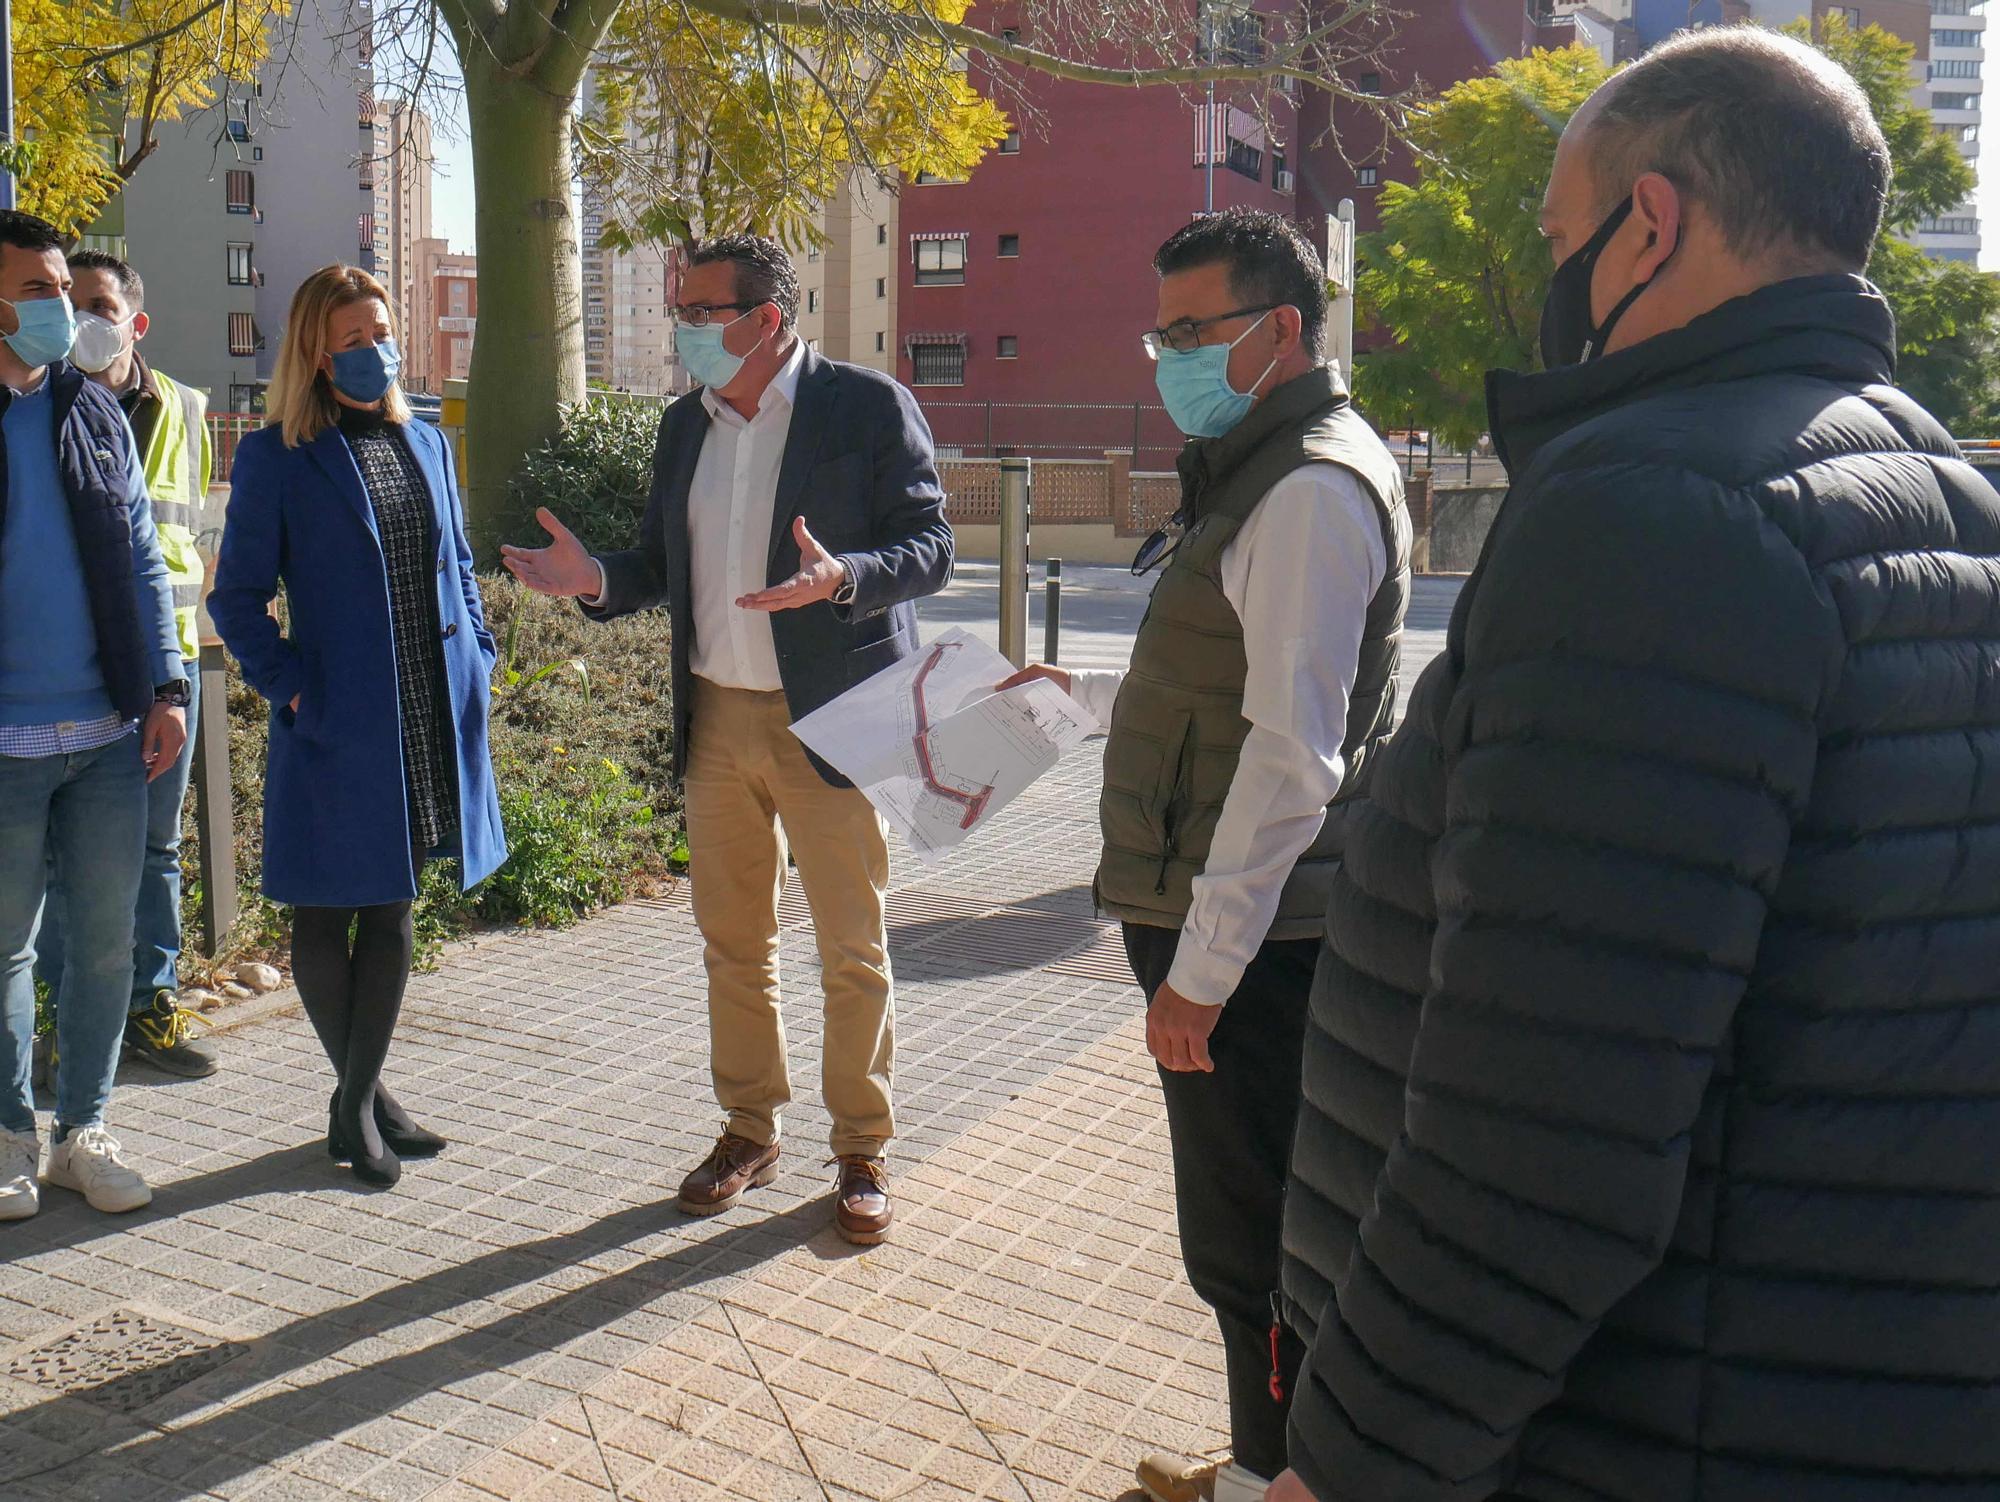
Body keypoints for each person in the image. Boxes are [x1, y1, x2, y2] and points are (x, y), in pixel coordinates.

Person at [1273, 28, 2000, 1502]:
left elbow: (1541, 1128)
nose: (1555, 282)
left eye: (1561, 236)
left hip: (1643, 1425)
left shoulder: (1656, 512)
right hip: (1853, 1385)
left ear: (1646, 224)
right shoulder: (1936, 485)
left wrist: (1350, 1465)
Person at [1004, 209, 1409, 1502]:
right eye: (1159, 330)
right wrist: (1081, 695)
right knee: (1255, 1240)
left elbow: (1294, 757)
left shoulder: (1307, 489)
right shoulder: (1259, 464)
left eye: (1194, 331)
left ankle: (1274, 1477)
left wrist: (1203, 971)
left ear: (1281, 329)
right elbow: (1233, 684)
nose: (1166, 356)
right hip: (1243, 930)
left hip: (1262, 946)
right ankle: (1258, 1466)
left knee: (1260, 1250)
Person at [502, 233, 951, 1245]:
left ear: (766, 319)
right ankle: (749, 1129)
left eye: (703, 311)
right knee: (732, 944)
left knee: (851, 945)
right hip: (717, 716)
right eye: (680, 309)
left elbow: (931, 546)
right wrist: (597, 580)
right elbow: (660, 563)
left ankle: (861, 1148)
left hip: (832, 714)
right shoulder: (682, 428)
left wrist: (844, 577)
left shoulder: (863, 406)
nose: (685, 329)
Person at [209, 264, 505, 1189]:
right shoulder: (276, 459)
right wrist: (292, 688)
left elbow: (457, 562)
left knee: (393, 902)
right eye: (352, 339)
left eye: (381, 331)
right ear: (314, 351)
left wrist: (482, 654)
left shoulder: (424, 443)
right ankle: (359, 1103)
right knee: (325, 905)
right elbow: (239, 601)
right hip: (337, 713)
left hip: (425, 706)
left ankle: (360, 1096)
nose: (375, 351)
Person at [0, 210, 187, 1220]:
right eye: (35, 288)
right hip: (6, 739)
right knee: (5, 948)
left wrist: (164, 689)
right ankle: (7, 1133)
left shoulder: (93, 409)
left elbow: (142, 558)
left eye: (62, 288)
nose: (57, 307)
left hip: (109, 734)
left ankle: (83, 1128)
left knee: (107, 944)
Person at [35, 249, 218, 1080]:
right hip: (69, 670)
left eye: (98, 304)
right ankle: (54, 1018)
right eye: (71, 300)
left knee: (155, 849)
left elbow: (182, 536)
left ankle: (149, 1006)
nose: (81, 319)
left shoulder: (182, 406)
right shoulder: (34, 399)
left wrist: (175, 674)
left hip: (164, 669)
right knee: (58, 857)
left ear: (134, 322)